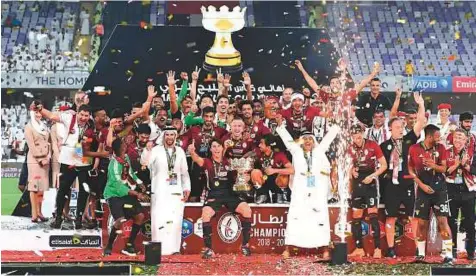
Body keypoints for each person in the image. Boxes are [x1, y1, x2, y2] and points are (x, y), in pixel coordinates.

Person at [276, 115, 339, 259]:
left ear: (314, 141)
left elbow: (329, 138)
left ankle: (325, 250)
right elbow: (288, 140)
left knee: (320, 219)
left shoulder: (319, 151)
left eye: (311, 139)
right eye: (305, 139)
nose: (308, 141)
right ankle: (288, 248)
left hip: (317, 191)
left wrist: (335, 123)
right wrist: (280, 126)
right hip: (300, 191)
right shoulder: (296, 152)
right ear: (301, 142)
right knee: (295, 218)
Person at [188, 138, 253, 259]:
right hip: (214, 195)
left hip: (230, 194)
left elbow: (240, 176)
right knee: (206, 214)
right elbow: (197, 159)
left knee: (247, 210)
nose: (216, 149)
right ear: (211, 149)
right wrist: (192, 152)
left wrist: (243, 176)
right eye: (214, 146)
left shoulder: (229, 162)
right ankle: (208, 249)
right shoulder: (207, 162)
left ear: (223, 148)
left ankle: (245, 245)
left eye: (218, 146)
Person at [379, 92, 426, 258]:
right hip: (390, 186)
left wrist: (420, 104)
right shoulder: (383, 145)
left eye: (402, 127)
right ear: (390, 128)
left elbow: (420, 122)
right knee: (390, 217)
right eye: (397, 127)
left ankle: (417, 248)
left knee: (413, 216)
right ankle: (391, 248)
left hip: (407, 183)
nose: (400, 129)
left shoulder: (409, 140)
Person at [409, 124, 453, 263]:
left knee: (443, 222)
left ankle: (449, 254)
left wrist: (434, 166)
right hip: (423, 190)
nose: (439, 138)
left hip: (439, 190)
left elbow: (444, 168)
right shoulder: (414, 148)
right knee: (422, 223)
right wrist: (420, 184)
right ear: (429, 136)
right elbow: (410, 169)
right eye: (437, 136)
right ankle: (421, 254)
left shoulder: (441, 148)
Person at [148, 126, 190, 255]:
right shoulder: (156, 150)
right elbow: (146, 164)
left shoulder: (181, 151)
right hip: (159, 190)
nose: (170, 138)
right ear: (163, 136)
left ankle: (174, 249)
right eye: (167, 135)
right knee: (158, 220)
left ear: (175, 136)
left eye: (172, 135)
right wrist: (147, 150)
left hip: (176, 190)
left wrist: (187, 187)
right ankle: (157, 249)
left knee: (175, 220)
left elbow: (184, 172)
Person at [103, 138, 148, 256]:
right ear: (119, 148)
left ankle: (129, 245)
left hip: (126, 193)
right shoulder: (113, 164)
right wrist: (137, 194)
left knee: (140, 216)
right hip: (114, 194)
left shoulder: (126, 157)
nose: (125, 145)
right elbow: (118, 185)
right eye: (123, 144)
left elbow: (130, 173)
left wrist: (139, 182)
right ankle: (109, 246)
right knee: (120, 220)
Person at [348, 124, 388, 259]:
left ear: (363, 133)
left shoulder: (372, 145)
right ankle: (359, 248)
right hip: (357, 183)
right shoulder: (349, 147)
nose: (357, 139)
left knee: (373, 215)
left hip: (370, 181)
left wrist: (372, 176)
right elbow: (348, 166)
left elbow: (384, 165)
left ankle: (377, 249)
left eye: (359, 136)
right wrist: (351, 171)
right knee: (357, 216)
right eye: (354, 136)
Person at [446, 129, 475, 260]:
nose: (458, 140)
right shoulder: (446, 152)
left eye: (461, 138)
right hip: (450, 188)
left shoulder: (472, 153)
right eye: (456, 137)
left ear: (466, 140)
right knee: (450, 223)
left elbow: (474, 169)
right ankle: (450, 252)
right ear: (452, 139)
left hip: (467, 190)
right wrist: (456, 164)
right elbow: (444, 171)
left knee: (469, 222)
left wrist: (466, 166)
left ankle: (470, 252)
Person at [250, 134, 293, 203]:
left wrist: (274, 170)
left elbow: (291, 170)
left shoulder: (279, 155)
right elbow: (248, 156)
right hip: (263, 180)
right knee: (255, 172)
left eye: (261, 143)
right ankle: (262, 194)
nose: (259, 145)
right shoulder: (258, 153)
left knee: (284, 176)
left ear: (268, 146)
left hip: (276, 181)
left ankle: (280, 195)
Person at [24, 109, 50, 223]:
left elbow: (48, 143)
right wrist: (40, 159)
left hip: (46, 159)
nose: (39, 115)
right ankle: (34, 214)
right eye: (36, 113)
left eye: (40, 112)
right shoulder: (29, 127)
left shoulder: (44, 126)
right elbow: (31, 146)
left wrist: (48, 156)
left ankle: (40, 212)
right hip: (35, 160)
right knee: (34, 186)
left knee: (41, 187)